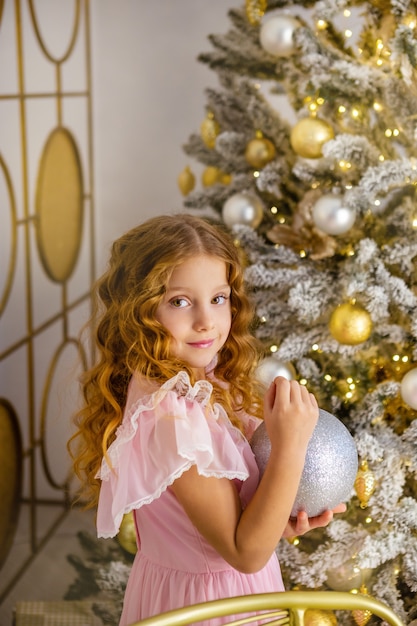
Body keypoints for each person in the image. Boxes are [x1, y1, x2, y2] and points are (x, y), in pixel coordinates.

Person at [69, 213, 346, 626]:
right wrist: (290, 445)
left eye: (218, 298)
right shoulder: (173, 418)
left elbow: (231, 529)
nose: (205, 321)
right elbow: (245, 554)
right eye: (180, 301)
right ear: (140, 311)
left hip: (228, 592)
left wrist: (274, 526)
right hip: (208, 607)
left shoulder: (202, 383)